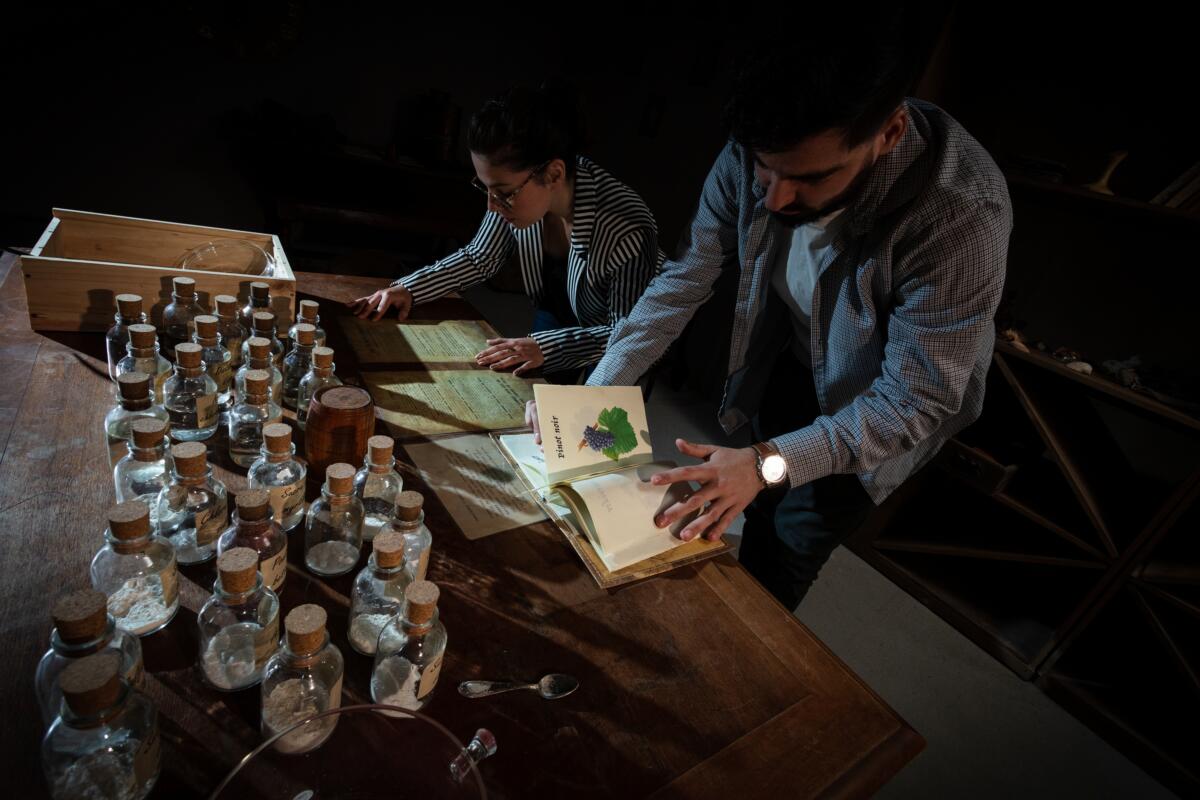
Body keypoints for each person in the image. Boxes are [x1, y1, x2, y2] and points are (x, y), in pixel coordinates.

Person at [543, 14, 1013, 609]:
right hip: (791, 358)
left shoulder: (961, 213)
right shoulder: (753, 150)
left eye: (808, 178)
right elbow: (684, 278)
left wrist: (767, 464)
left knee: (789, 545)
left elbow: (915, 398)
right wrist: (599, 389)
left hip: (882, 401)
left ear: (889, 134)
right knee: (754, 507)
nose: (773, 199)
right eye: (765, 170)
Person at [348, 85, 663, 382]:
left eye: (503, 192)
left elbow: (626, 333)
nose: (492, 205)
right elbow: (480, 256)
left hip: (619, 332)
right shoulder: (515, 193)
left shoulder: (626, 227)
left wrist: (547, 347)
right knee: (532, 396)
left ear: (554, 174)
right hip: (555, 309)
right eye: (484, 188)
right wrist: (409, 289)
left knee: (594, 425)